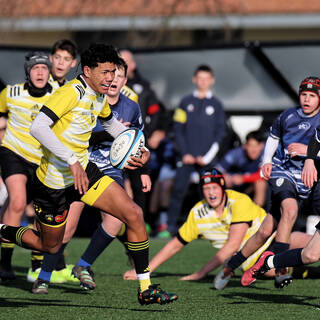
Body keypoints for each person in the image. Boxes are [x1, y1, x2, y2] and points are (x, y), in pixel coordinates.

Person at [0, 43, 177, 305]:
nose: (110, 78)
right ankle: (4, 230)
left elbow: (110, 123)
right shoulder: (71, 92)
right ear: (87, 71)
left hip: (85, 172)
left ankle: (145, 288)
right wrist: (71, 159)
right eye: (105, 72)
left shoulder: (99, 95)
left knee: (134, 214)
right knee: (48, 245)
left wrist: (140, 148)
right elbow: (38, 127)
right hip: (53, 184)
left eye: (113, 72)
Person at [30, 58, 151, 293]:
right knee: (68, 227)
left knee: (120, 218)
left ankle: (85, 266)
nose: (112, 79)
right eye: (108, 74)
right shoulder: (85, 95)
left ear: (125, 81)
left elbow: (135, 138)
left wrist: (142, 160)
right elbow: (71, 133)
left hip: (108, 169)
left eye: (117, 75)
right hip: (77, 167)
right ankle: (44, 276)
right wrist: (86, 151)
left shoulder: (131, 105)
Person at [214, 76, 320, 289]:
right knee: (290, 211)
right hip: (284, 171)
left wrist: (309, 153)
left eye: (312, 96)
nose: (306, 99)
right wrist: (266, 162)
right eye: (303, 95)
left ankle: (231, 264)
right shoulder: (288, 116)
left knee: (265, 230)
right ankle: (280, 268)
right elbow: (273, 137)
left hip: (305, 179)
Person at [123, 168, 269, 281]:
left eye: (214, 188)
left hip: (270, 240)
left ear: (222, 187)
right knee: (272, 269)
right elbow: (175, 244)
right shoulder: (198, 212)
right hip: (249, 262)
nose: (211, 193)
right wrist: (145, 271)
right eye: (206, 189)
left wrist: (201, 273)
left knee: (283, 256)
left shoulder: (239, 201)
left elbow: (233, 245)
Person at [27, 39, 79, 283]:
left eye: (66, 59)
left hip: (56, 163)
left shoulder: (70, 90)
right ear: (51, 58)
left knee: (60, 218)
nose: (60, 63)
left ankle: (54, 266)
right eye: (57, 58)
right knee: (33, 212)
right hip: (31, 158)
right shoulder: (38, 84)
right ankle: (35, 266)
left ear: (73, 63)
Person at [0, 52, 53, 281]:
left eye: (44, 68)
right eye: (35, 68)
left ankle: (37, 264)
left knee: (41, 210)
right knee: (19, 201)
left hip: (42, 159)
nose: (40, 72)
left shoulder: (59, 96)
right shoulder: (10, 93)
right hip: (13, 152)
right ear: (27, 72)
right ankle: (4, 263)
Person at [165, 64, 226, 235]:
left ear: (212, 81)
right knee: (178, 190)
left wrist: (207, 157)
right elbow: (177, 129)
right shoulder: (185, 102)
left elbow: (220, 133)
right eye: (200, 78)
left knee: (210, 193)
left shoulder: (216, 104)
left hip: (207, 159)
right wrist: (185, 153)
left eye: (206, 79)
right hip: (186, 158)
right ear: (194, 79)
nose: (203, 82)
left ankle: (210, 227)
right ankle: (169, 226)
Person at [217, 130, 267, 207]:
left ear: (262, 146)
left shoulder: (266, 154)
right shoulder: (236, 154)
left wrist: (243, 178)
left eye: (256, 145)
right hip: (235, 183)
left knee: (261, 183)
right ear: (245, 146)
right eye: (250, 145)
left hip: (251, 183)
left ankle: (257, 214)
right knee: (222, 180)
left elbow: (264, 174)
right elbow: (217, 171)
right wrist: (227, 178)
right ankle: (222, 210)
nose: (253, 150)